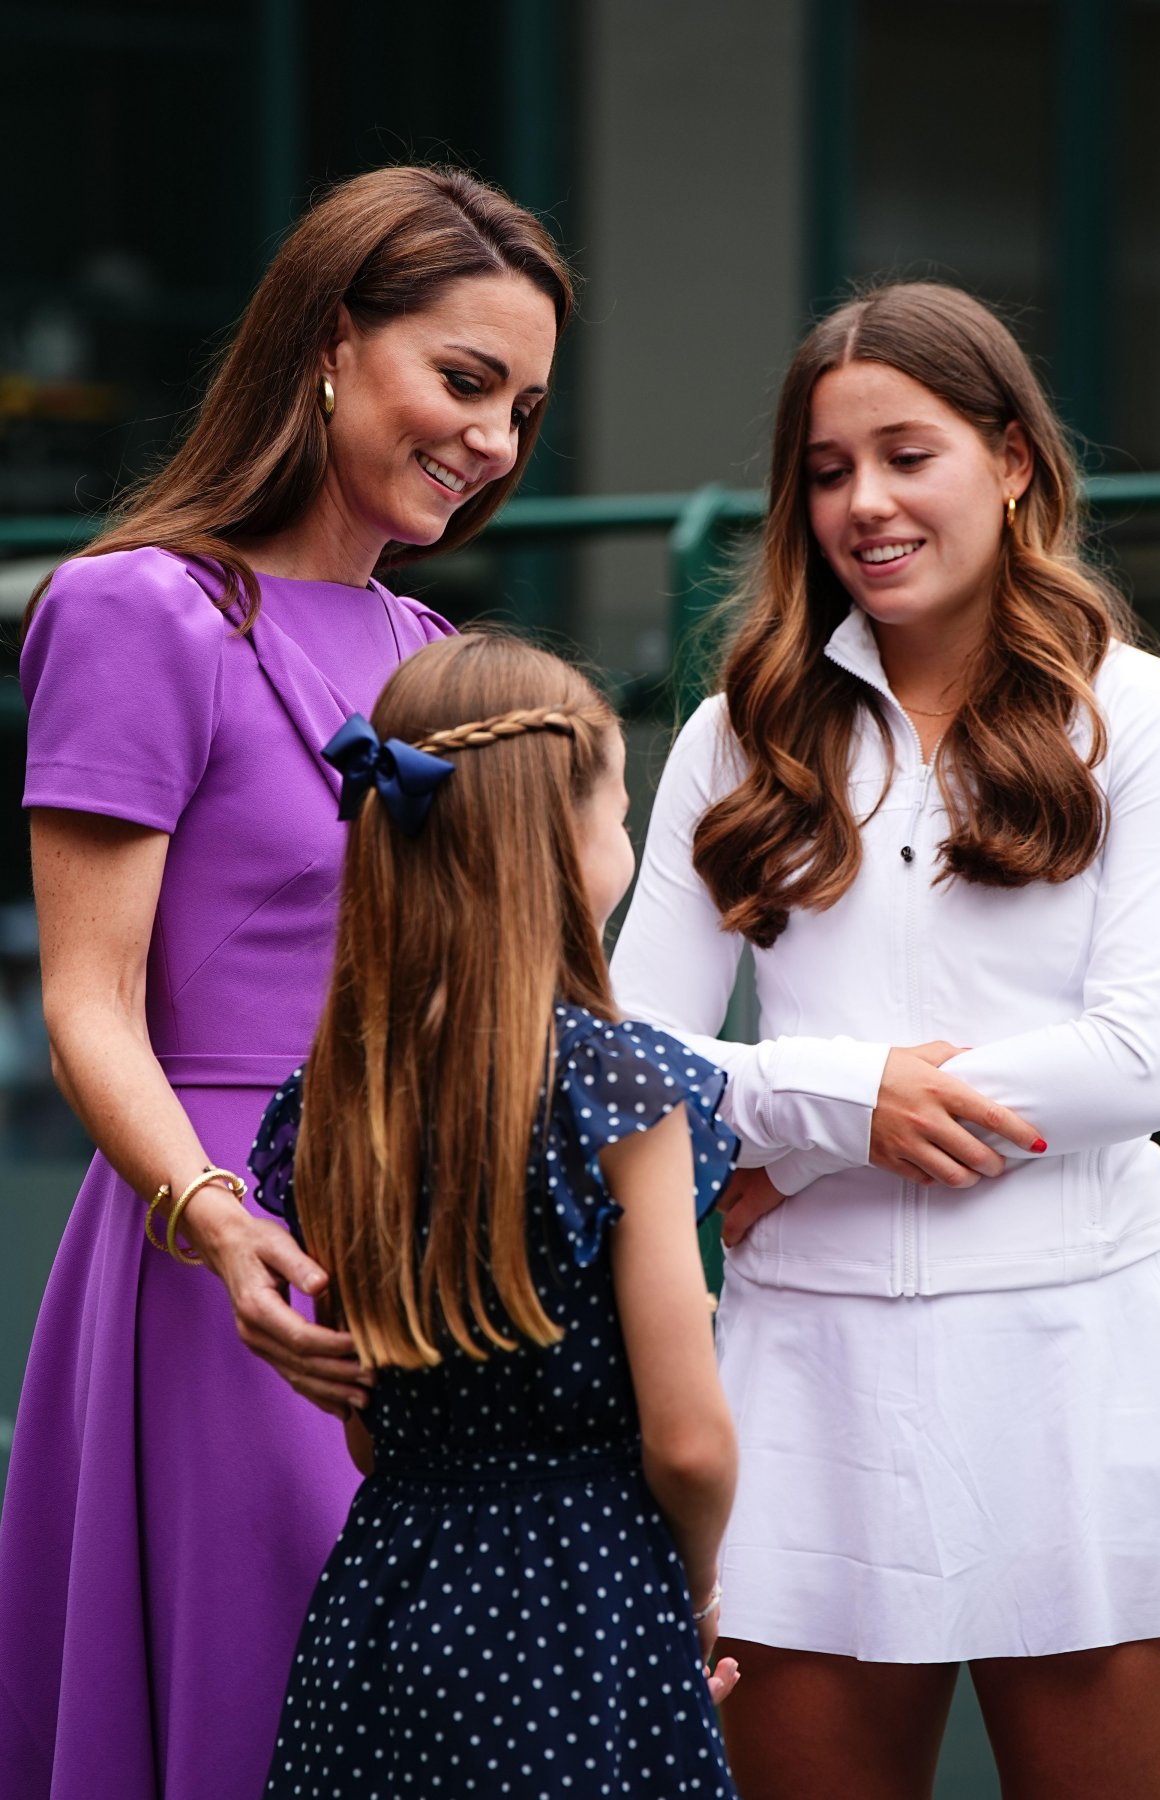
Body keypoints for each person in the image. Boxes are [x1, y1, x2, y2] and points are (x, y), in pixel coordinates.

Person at [0, 165, 572, 1800]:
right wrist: (213, 1217)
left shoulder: (426, 641)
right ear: (329, 340)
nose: (494, 442)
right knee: (267, 1699)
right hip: (234, 1251)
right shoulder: (140, 610)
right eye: (464, 382)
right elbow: (92, 1003)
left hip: (432, 1240)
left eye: (523, 408)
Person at [611, 280, 1160, 1800]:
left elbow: (1146, 1062)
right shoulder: (733, 734)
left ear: (1011, 461)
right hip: (807, 1382)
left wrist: (793, 1156)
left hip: (1082, 1368)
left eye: (907, 454)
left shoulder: (1151, 719)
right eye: (824, 469)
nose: (863, 502)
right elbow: (613, 1061)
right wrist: (830, 1101)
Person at [245, 630, 741, 1796]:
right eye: (619, 813)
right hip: (584, 1601)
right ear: (563, 844)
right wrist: (698, 1594)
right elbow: (689, 1440)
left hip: (380, 1611)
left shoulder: (331, 1102)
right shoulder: (624, 1090)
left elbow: (370, 1426)